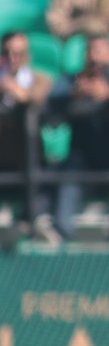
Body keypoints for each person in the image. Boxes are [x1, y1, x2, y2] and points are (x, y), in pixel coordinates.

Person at [42, 33, 109, 244]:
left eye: (101, 52)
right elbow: (50, 100)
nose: (96, 59)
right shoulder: (73, 80)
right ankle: (61, 230)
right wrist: (74, 95)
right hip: (83, 158)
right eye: (92, 52)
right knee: (68, 167)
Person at [0, 31, 53, 237]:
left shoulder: (40, 79)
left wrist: (12, 89)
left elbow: (35, 96)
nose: (14, 58)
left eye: (19, 53)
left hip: (26, 156)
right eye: (9, 53)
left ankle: (29, 221)